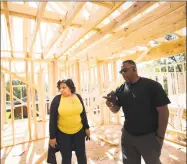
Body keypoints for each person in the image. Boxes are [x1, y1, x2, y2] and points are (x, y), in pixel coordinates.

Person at [103, 60, 170, 164]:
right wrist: (110, 104)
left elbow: (164, 111)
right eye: (121, 71)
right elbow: (115, 110)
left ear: (134, 69)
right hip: (128, 137)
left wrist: (160, 136)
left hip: (148, 137)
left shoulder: (152, 86)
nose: (123, 73)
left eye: (125, 70)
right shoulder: (120, 89)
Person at [49, 79, 90, 164]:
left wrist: (87, 127)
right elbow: (52, 120)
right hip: (63, 133)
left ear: (70, 87)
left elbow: (83, 114)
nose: (61, 90)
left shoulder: (78, 97)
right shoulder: (57, 100)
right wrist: (52, 137)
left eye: (64, 87)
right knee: (66, 157)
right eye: (60, 88)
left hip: (79, 131)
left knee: (81, 155)